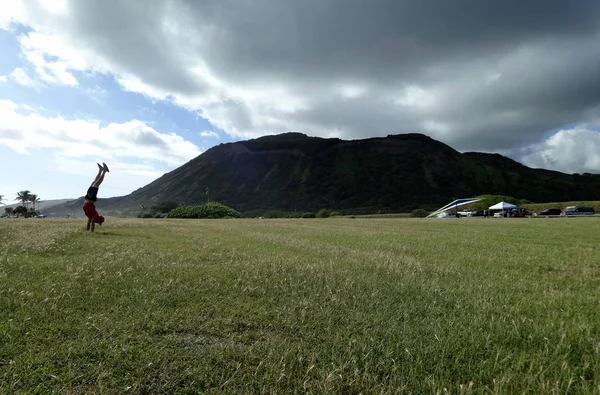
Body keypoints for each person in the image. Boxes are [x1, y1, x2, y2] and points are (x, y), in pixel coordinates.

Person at [83, 162, 109, 232]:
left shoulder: (91, 217)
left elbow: (89, 223)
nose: (96, 223)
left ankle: (100, 170)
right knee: (96, 184)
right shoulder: (95, 216)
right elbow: (92, 224)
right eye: (98, 222)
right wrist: (92, 231)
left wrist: (87, 231)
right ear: (98, 220)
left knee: (93, 183)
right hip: (90, 199)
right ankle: (104, 171)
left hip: (88, 200)